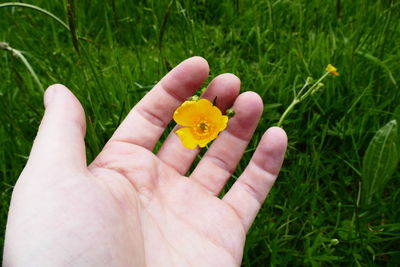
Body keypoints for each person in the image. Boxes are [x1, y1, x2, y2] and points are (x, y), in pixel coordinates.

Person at [3, 57, 287, 266]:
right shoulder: (191, 124)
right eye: (202, 128)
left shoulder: (214, 119)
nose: (202, 129)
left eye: (205, 128)